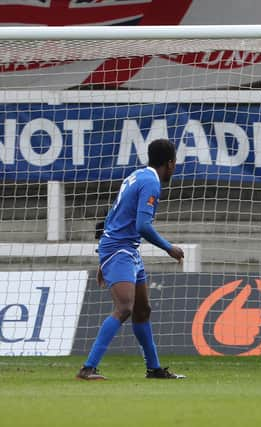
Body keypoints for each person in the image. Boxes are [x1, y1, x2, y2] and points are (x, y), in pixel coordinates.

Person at [76, 139, 186, 380]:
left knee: (142, 309)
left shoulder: (137, 176)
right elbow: (142, 225)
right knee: (125, 308)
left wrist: (102, 256)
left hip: (124, 249)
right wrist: (169, 248)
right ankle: (87, 368)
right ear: (170, 163)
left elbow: (114, 214)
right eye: (174, 163)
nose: (174, 168)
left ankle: (154, 369)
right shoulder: (151, 184)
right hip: (119, 250)